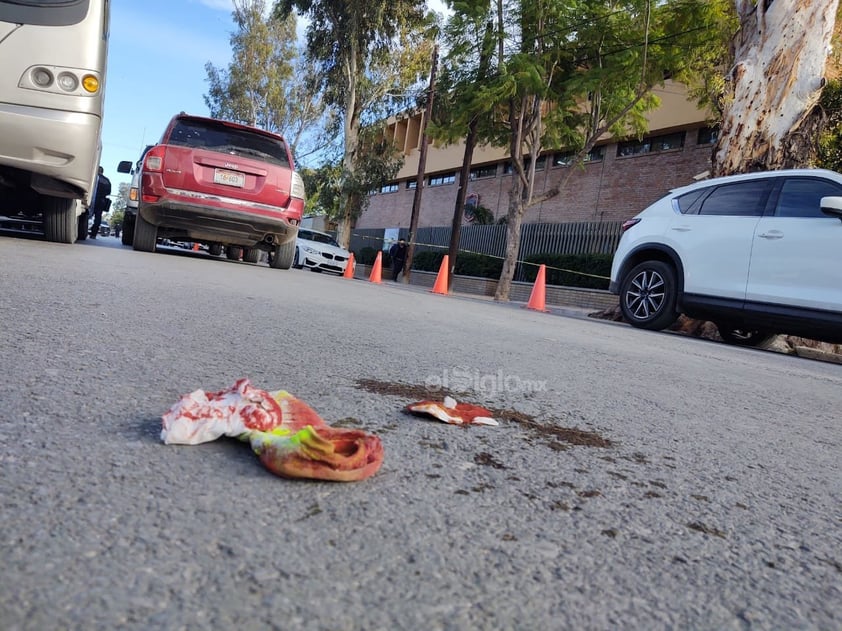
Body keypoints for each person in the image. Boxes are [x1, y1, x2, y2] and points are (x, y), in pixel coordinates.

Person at [89, 166, 111, 239]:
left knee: (86, 214)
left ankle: (83, 229)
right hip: (101, 201)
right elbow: (108, 192)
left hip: (91, 198)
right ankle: (93, 234)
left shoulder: (92, 177)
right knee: (98, 218)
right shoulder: (106, 180)